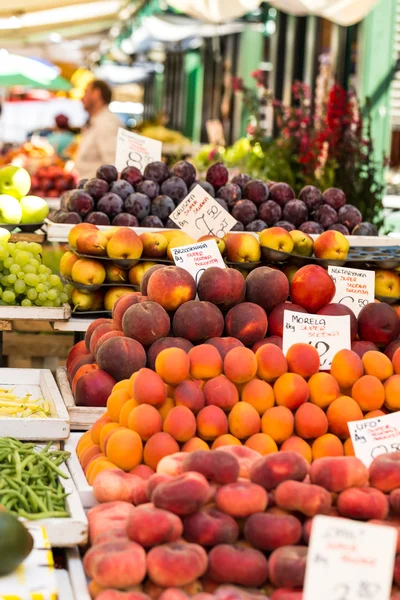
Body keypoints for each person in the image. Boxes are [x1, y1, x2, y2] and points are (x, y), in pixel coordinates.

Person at [74, 79, 122, 179]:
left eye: (86, 92)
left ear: (96, 93)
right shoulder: (96, 121)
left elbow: (113, 166)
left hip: (93, 189)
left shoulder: (107, 123)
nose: (81, 98)